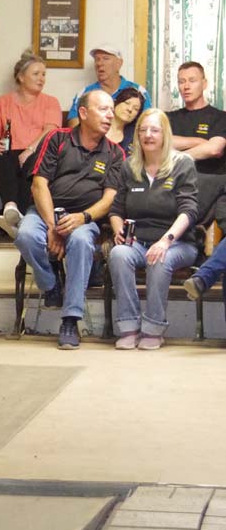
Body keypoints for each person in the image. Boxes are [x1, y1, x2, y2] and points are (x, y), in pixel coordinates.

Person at [15, 90, 123, 350]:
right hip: (47, 211)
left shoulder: (115, 152)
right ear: (83, 113)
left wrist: (84, 217)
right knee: (26, 235)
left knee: (81, 242)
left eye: (111, 110)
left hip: (85, 218)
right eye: (103, 109)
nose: (110, 115)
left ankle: (70, 320)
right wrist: (53, 227)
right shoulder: (57, 139)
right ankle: (51, 285)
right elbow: (39, 185)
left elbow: (110, 198)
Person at [108, 109, 198, 350]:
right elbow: (116, 209)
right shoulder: (129, 166)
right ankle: (129, 327)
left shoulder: (182, 163)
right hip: (138, 242)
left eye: (154, 130)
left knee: (159, 258)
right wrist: (118, 231)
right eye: (143, 130)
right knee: (118, 254)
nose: (148, 135)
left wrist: (165, 241)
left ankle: (153, 329)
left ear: (165, 134)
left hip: (178, 243)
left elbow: (189, 211)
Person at [0, 50, 62, 240]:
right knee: (4, 157)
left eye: (44, 74)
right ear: (21, 77)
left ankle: (17, 220)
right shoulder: (3, 102)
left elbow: (51, 130)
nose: (41, 79)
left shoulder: (50, 102)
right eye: (36, 74)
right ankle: (11, 207)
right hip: (9, 155)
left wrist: (30, 149)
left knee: (32, 164)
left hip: (38, 153)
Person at [67, 45, 150, 127]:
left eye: (105, 58)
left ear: (119, 63)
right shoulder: (85, 93)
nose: (99, 63)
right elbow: (74, 125)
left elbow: (147, 124)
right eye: (97, 59)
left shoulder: (139, 92)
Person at [167, 61, 226, 174]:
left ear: (204, 84)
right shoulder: (169, 117)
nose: (186, 86)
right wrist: (199, 141)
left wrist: (177, 159)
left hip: (211, 180)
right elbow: (161, 143)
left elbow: (214, 149)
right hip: (176, 180)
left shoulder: (221, 117)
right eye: (181, 82)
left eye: (192, 81)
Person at [107, 85, 145, 155]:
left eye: (136, 109)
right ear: (116, 102)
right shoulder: (99, 126)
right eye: (127, 103)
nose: (130, 109)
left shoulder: (135, 135)